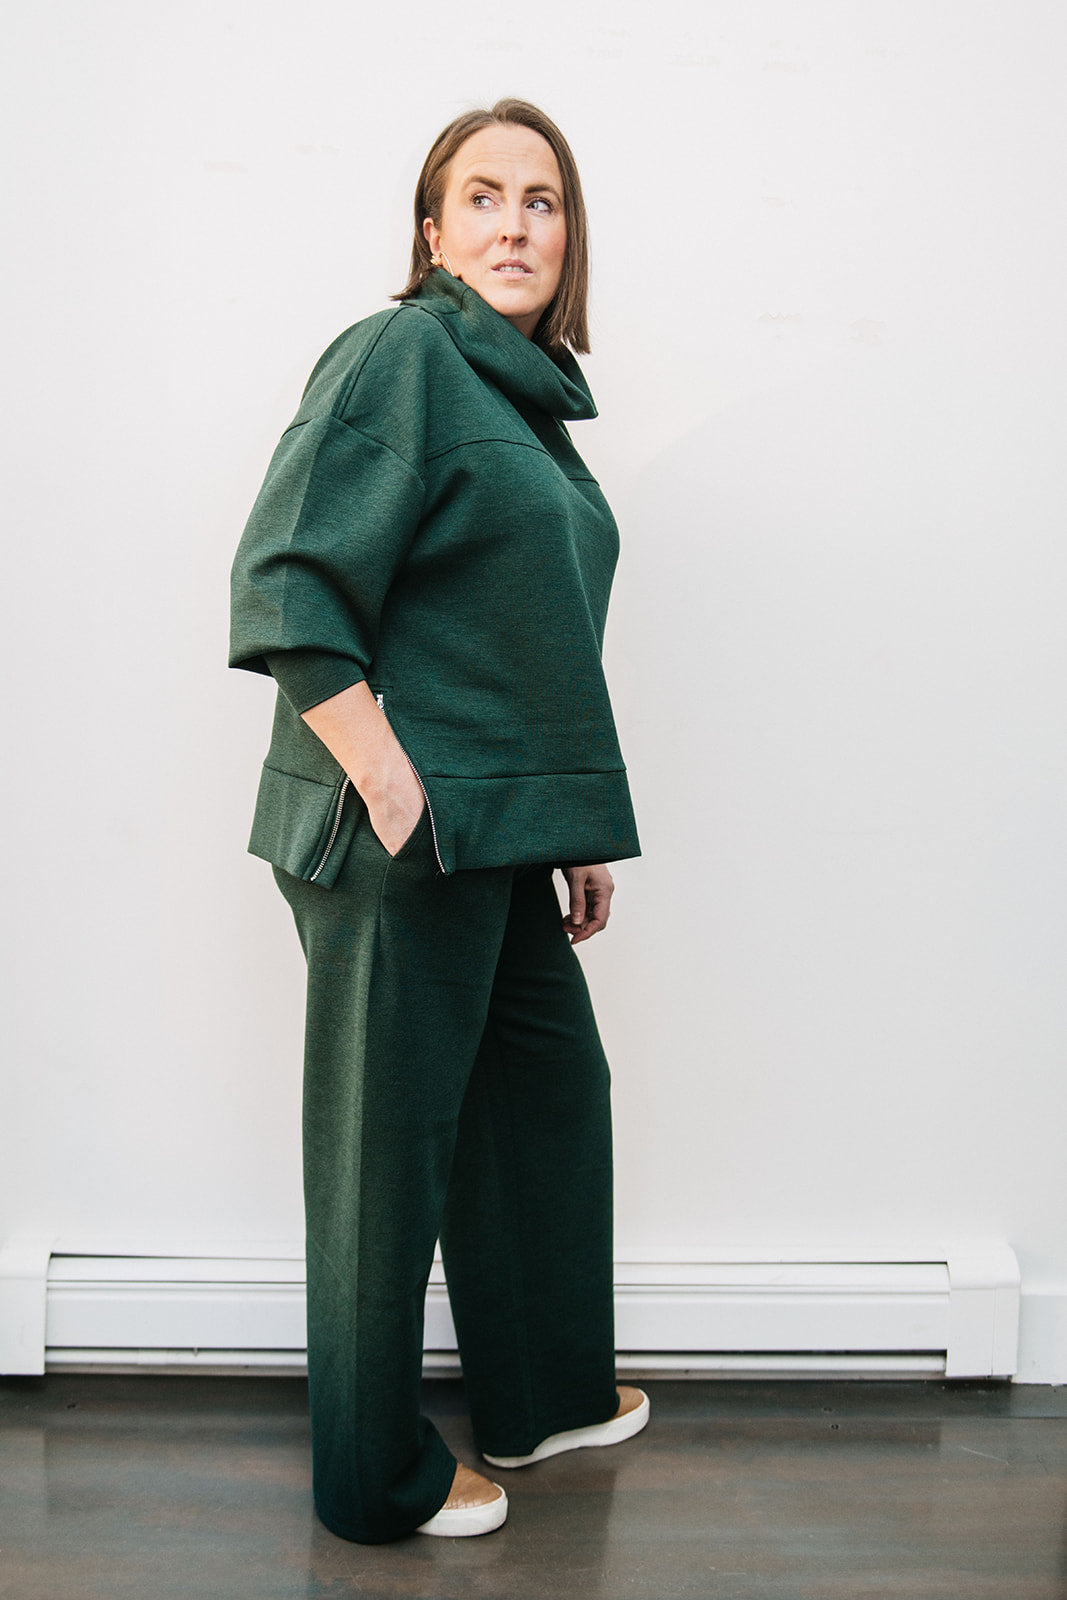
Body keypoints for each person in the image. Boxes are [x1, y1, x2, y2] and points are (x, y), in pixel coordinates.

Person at [229, 98, 646, 1545]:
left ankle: (542, 1395)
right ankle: (372, 1476)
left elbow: (526, 640)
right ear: (432, 231)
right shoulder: (399, 354)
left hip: (492, 833)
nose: (514, 223)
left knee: (545, 1095)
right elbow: (288, 578)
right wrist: (389, 779)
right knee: (381, 1160)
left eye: (542, 200)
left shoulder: (523, 400)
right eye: (483, 196)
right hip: (394, 841)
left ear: (569, 237)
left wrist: (567, 820)